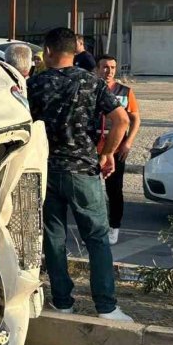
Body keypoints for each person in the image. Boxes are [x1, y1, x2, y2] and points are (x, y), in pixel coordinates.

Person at [27, 27, 132, 321]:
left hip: (47, 171)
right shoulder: (92, 82)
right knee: (97, 238)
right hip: (84, 169)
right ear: (75, 52)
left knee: (54, 238)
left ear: (47, 51)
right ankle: (106, 307)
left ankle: (62, 301)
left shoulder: (34, 85)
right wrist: (107, 153)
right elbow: (120, 120)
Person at [95, 54, 141, 245]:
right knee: (92, 191)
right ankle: (96, 228)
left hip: (116, 148)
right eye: (105, 67)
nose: (109, 71)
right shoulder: (91, 89)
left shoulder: (125, 91)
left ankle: (114, 226)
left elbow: (135, 119)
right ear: (97, 69)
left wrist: (128, 142)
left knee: (114, 190)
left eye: (112, 68)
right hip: (93, 146)